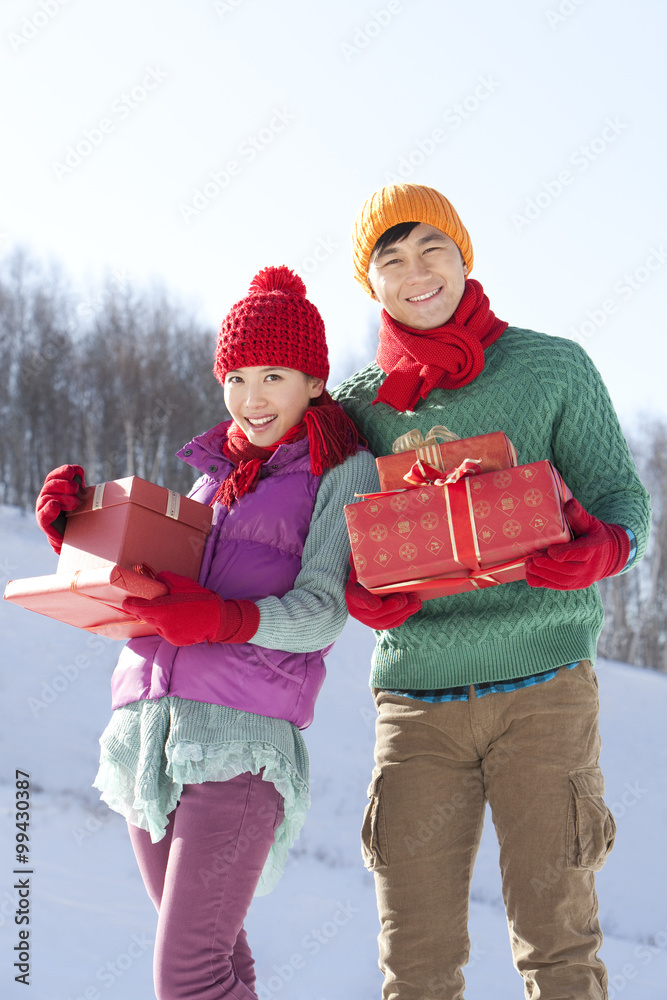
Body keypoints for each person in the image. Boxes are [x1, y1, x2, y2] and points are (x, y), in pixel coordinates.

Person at [332, 183, 652, 1000]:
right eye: (390, 259)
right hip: (415, 703)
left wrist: (599, 550)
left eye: (430, 247)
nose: (414, 272)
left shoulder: (550, 366)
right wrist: (356, 594)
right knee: (417, 965)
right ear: (370, 283)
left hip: (543, 691)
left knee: (558, 948)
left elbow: (622, 501)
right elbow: (321, 543)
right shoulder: (356, 408)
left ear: (463, 255)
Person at [34, 266, 377, 1000]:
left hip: (237, 744)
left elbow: (323, 610)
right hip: (147, 740)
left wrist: (224, 619)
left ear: (314, 382)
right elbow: (142, 597)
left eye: (273, 376)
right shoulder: (205, 483)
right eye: (236, 377)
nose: (251, 399)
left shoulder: (338, 473)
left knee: (186, 977)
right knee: (218, 966)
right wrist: (75, 539)